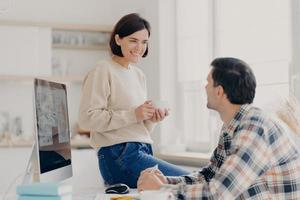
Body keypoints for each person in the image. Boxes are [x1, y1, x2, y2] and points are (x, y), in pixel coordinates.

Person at [137, 57, 300, 199]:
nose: (205, 87)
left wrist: (162, 190)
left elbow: (218, 194)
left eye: (208, 83)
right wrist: (166, 181)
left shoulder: (254, 127)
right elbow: (209, 176)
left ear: (219, 91)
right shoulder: (233, 125)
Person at [78, 13, 189, 188]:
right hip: (118, 155)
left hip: (140, 150)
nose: (140, 47)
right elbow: (87, 118)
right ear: (118, 39)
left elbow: (135, 128)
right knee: (190, 181)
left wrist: (151, 120)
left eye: (144, 42)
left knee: (189, 183)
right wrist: (133, 114)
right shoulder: (103, 70)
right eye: (133, 40)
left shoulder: (138, 75)